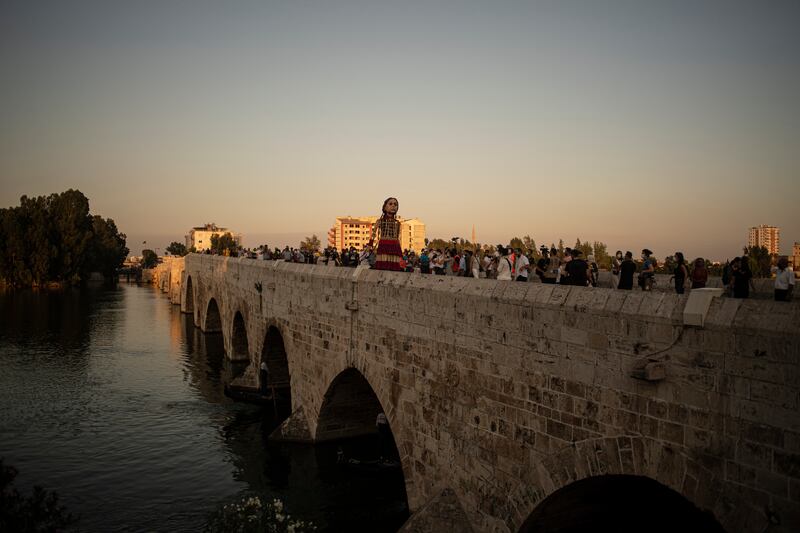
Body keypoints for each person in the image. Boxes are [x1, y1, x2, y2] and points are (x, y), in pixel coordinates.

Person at [369, 197, 403, 271]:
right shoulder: (379, 221)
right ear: (385, 207)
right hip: (383, 245)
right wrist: (369, 245)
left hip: (395, 246)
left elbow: (398, 238)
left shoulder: (398, 223)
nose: (393, 206)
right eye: (390, 204)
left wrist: (400, 251)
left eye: (395, 204)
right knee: (383, 266)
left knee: (395, 267)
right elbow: (373, 234)